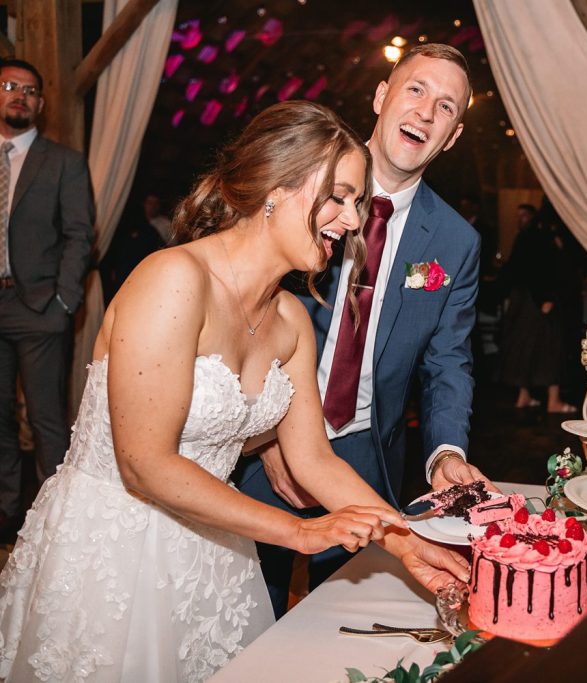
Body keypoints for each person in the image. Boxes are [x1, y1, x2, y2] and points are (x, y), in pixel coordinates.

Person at [0, 100, 470, 682]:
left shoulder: (293, 319)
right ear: (276, 186)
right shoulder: (173, 279)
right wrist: (301, 532)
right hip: (113, 556)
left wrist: (404, 541)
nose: (352, 221)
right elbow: (144, 463)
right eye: (340, 196)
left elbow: (313, 459)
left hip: (217, 559)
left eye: (355, 201)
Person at [234, 43, 490, 619]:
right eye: (417, 90)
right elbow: (242, 311)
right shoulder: (299, 188)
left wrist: (446, 451)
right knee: (246, 612)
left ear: (452, 136)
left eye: (445, 107)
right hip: (263, 445)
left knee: (344, 622)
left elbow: (450, 360)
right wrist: (273, 439)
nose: (426, 112)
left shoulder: (455, 242)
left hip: (367, 455)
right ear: (381, 96)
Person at [0, 58, 94, 542]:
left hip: (39, 307)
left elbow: (81, 235)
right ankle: (4, 515)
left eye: (31, 90)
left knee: (46, 421)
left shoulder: (63, 161)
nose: (21, 95)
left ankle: (51, 526)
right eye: (10, 86)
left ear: (40, 103)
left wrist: (64, 301)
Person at [498, 198, 578, 413]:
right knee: (551, 348)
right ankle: (553, 401)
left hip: (525, 298)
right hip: (537, 299)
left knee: (527, 347)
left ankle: (524, 397)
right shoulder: (543, 234)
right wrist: (546, 297)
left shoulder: (529, 234)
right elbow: (543, 268)